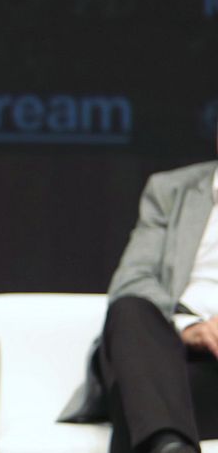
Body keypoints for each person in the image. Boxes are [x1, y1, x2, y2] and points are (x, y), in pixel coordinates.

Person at [59, 121, 218, 453]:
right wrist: (191, 328)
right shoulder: (172, 191)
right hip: (165, 347)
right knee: (129, 307)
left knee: (137, 401)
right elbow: (132, 279)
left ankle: (169, 444)